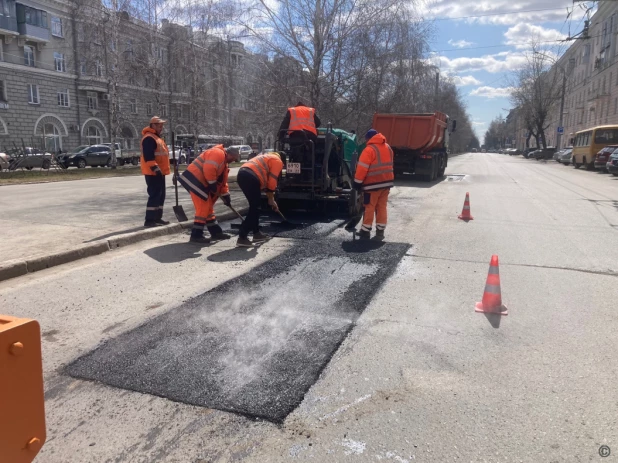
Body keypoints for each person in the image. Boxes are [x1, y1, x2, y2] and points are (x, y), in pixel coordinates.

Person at [178, 145, 240, 244]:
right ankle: (196, 235)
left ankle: (215, 232)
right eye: (233, 158)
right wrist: (212, 184)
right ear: (229, 154)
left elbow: (223, 182)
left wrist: (226, 195)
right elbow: (209, 169)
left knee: (209, 208)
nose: (233, 160)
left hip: (201, 182)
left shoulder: (224, 164)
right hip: (195, 180)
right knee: (203, 208)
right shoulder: (218, 153)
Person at [353, 129, 394, 241]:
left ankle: (365, 231)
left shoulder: (369, 150)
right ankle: (380, 231)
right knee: (381, 206)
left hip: (372, 184)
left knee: (369, 206)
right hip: (386, 183)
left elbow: (362, 168)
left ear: (368, 138)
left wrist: (357, 183)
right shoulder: (388, 148)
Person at [236, 152, 284, 248]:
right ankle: (242, 236)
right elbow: (272, 181)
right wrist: (271, 198)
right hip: (250, 177)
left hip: (242, 174)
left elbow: (266, 182)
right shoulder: (277, 161)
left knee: (255, 206)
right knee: (255, 208)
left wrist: (271, 199)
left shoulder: (266, 157)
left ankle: (256, 233)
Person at [140, 116, 171, 227]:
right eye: (159, 125)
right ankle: (149, 220)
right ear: (152, 125)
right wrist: (155, 168)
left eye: (162, 125)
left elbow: (162, 155)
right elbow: (148, 156)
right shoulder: (149, 138)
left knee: (161, 195)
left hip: (159, 172)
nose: (161, 127)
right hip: (153, 172)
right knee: (154, 195)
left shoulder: (157, 138)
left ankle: (158, 218)